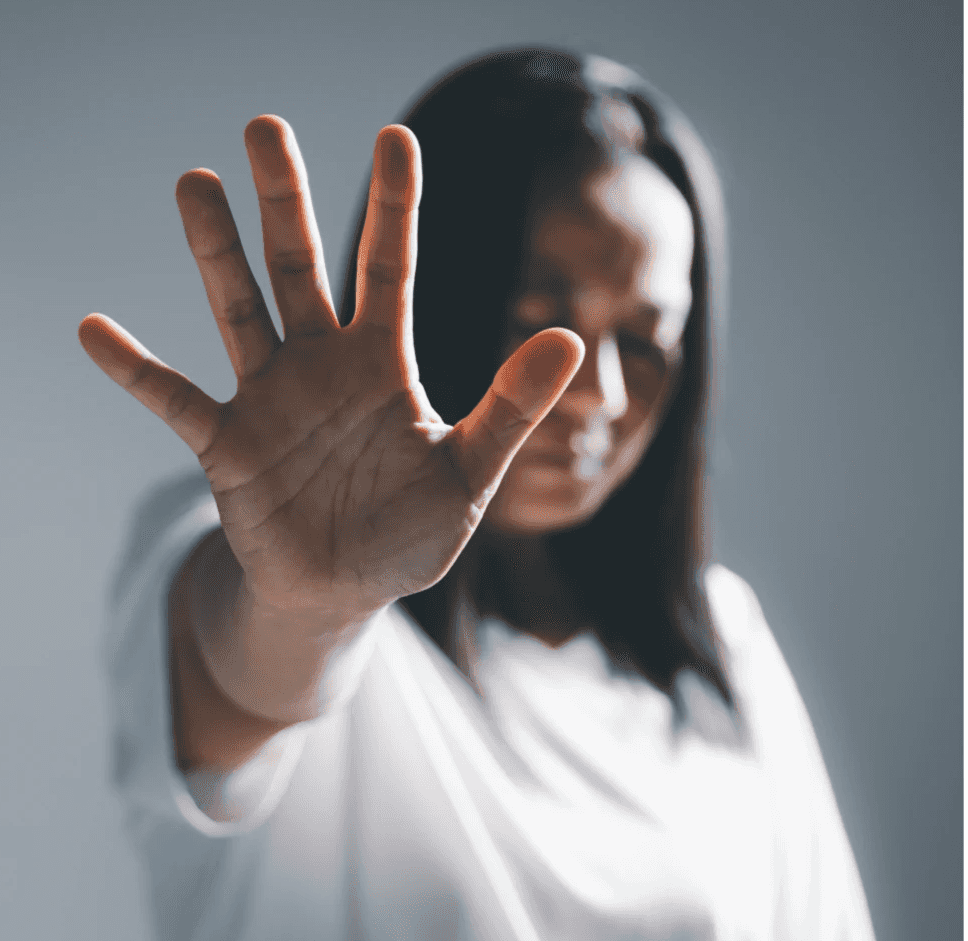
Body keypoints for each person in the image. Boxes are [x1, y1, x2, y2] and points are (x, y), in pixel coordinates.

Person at [78, 48, 877, 941]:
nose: (598, 394)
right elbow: (244, 669)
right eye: (538, 321)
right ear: (437, 294)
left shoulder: (721, 648)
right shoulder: (255, 551)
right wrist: (305, 606)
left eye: (647, 342)